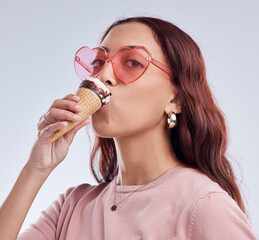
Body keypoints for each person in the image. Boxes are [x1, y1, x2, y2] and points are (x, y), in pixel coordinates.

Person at [0, 16, 257, 240]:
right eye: (99, 62)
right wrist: (36, 168)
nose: (102, 76)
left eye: (133, 62)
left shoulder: (203, 206)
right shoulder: (72, 207)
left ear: (176, 99)